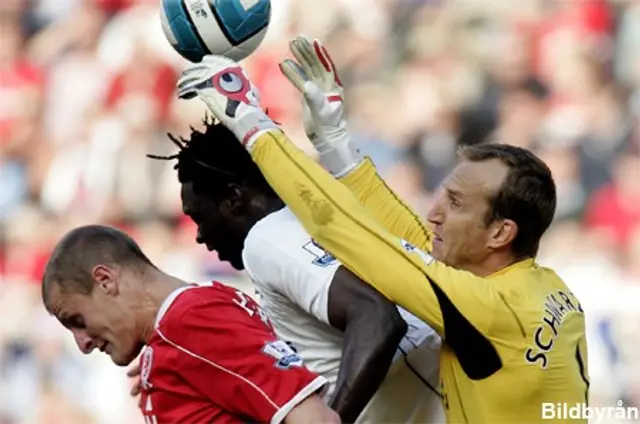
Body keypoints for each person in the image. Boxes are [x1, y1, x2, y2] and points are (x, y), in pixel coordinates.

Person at [174, 39, 590, 423]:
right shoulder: (540, 287)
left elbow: (345, 230)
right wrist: (337, 148)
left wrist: (250, 122)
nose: (434, 213)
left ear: (501, 233)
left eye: (457, 204)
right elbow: (413, 239)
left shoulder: (484, 310)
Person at [142, 76, 443, 424]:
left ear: (234, 200)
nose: (199, 237)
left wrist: (331, 419)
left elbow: (376, 316)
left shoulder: (267, 239)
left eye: (200, 217)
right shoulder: (310, 223)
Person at [40, 225, 340, 424]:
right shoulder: (186, 330)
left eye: (77, 321)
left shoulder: (191, 322)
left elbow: (316, 420)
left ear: (105, 280)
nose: (82, 344)